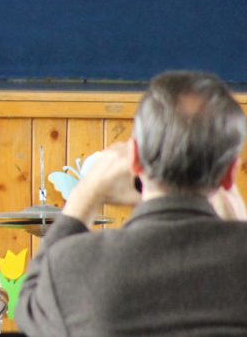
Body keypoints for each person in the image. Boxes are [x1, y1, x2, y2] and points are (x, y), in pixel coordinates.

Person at [16, 70, 247, 336]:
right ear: (230, 173)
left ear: (135, 159)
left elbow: (29, 310)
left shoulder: (72, 267)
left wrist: (86, 194)